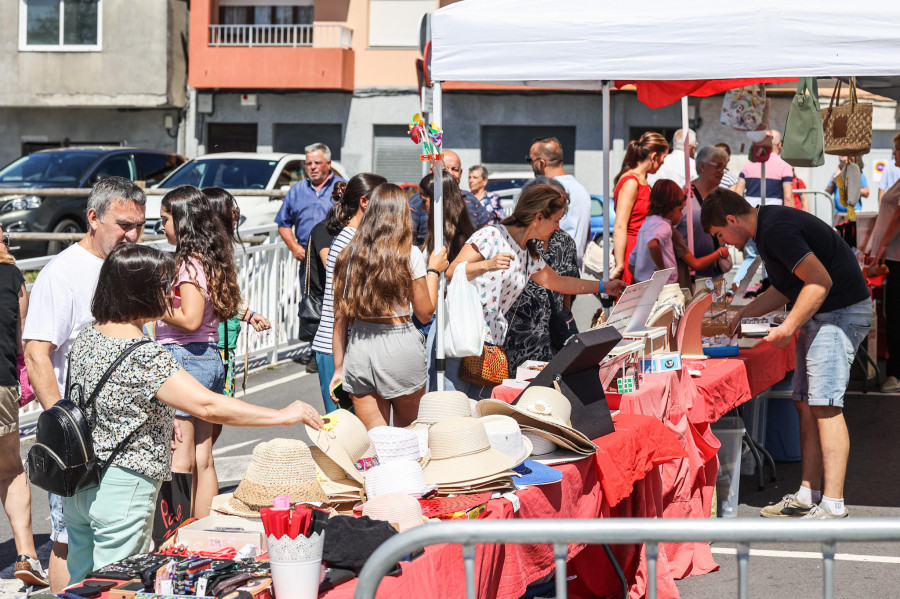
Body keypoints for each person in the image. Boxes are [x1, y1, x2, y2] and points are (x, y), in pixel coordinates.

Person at [64, 243, 323, 584]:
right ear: (141, 292)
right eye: (165, 287)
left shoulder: (88, 337)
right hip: (123, 486)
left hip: (79, 483)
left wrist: (158, 418)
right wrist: (283, 415)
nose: (173, 297)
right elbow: (208, 405)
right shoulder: (144, 355)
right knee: (118, 585)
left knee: (82, 582)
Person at [702, 189, 872, 519]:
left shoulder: (775, 228)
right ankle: (808, 495)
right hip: (829, 312)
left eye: (720, 234)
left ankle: (833, 504)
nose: (724, 242)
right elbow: (786, 287)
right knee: (808, 403)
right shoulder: (767, 228)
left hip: (839, 312)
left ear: (731, 220)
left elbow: (819, 282)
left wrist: (786, 328)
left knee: (825, 405)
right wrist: (744, 313)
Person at [24, 176, 147, 592]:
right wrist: (63, 428)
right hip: (79, 441)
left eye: (139, 226)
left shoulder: (127, 267)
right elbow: (37, 352)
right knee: (66, 541)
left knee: (115, 543)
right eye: (123, 225)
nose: (132, 235)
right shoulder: (62, 274)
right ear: (93, 218)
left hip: (127, 437)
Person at [445, 184, 627, 398]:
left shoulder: (528, 252)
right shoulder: (492, 235)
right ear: (539, 217)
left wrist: (605, 286)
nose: (557, 228)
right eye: (556, 220)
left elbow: (559, 283)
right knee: (455, 407)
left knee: (479, 410)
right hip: (463, 337)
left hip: (489, 345)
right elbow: (450, 272)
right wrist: (488, 265)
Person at [331, 183, 449, 429]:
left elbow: (340, 319)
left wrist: (339, 369)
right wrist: (434, 271)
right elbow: (425, 313)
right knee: (408, 436)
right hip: (400, 345)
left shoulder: (349, 254)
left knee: (374, 443)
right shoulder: (409, 254)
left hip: (361, 346)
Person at [157, 186, 242, 520]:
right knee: (203, 457)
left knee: (180, 457)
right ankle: (202, 529)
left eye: (165, 220)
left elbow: (190, 319)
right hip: (207, 357)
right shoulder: (209, 258)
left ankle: (176, 534)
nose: (161, 227)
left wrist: (155, 306)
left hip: (185, 358)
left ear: (182, 220)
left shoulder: (188, 266)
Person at [311, 173, 387, 408]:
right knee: (344, 430)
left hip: (342, 346)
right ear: (364, 202)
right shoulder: (349, 242)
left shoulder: (353, 238)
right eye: (381, 200)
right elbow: (341, 311)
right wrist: (339, 366)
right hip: (337, 349)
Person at [0, 230, 47, 587]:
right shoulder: (12, 276)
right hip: (1, 385)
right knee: (10, 470)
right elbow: (22, 341)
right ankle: (28, 554)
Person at [275, 142, 347, 350]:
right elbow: (283, 223)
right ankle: (314, 348)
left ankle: (338, 345)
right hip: (308, 259)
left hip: (338, 255)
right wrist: (293, 246)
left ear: (328, 164)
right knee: (311, 301)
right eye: (308, 164)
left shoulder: (342, 186)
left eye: (317, 162)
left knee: (338, 298)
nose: (312, 167)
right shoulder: (297, 190)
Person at [504, 178, 580, 371]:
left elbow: (568, 283)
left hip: (553, 335)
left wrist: (563, 315)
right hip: (517, 336)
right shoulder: (515, 240)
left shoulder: (565, 242)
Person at [203, 188, 271, 399]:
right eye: (231, 209)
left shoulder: (221, 250)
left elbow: (225, 296)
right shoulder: (206, 255)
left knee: (217, 417)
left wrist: (248, 315)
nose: (235, 215)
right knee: (212, 415)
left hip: (224, 343)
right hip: (210, 345)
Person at [420, 173, 476, 391]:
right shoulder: (441, 234)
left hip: (448, 321)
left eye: (424, 200)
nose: (421, 206)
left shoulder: (459, 239)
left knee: (445, 386)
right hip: (438, 318)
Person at [732, 129, 794, 288]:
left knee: (750, 257)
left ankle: (737, 286)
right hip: (773, 218)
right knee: (771, 258)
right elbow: (788, 197)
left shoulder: (748, 165)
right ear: (780, 145)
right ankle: (768, 289)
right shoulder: (785, 166)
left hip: (749, 217)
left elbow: (738, 193)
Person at [862, 132, 900, 392]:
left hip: (898, 257)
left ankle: (896, 374)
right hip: (895, 258)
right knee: (894, 315)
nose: (894, 154)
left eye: (897, 149)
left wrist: (883, 242)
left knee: (896, 315)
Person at [611, 132, 669, 284]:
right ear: (654, 156)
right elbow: (620, 226)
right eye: (663, 157)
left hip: (639, 251)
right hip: (630, 252)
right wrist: (620, 265)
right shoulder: (631, 181)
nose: (663, 162)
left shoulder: (641, 181)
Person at [528, 137, 592, 264]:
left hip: (550, 271)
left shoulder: (548, 190)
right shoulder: (581, 190)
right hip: (572, 269)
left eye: (530, 160)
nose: (529, 164)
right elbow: (587, 233)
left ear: (541, 163)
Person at [408, 150, 490, 246]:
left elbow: (484, 233)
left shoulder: (470, 199)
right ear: (432, 171)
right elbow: (407, 237)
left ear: (461, 172)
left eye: (455, 169)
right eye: (444, 169)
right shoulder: (418, 200)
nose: (450, 173)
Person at [686, 145, 731, 279]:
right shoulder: (686, 195)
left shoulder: (721, 195)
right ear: (702, 166)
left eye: (724, 167)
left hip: (716, 272)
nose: (722, 172)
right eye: (718, 166)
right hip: (693, 274)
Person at [629, 180, 685, 284]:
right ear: (672, 208)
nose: (681, 215)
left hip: (646, 285)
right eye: (680, 210)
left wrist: (641, 281)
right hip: (663, 288)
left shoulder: (646, 224)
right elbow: (652, 244)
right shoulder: (663, 226)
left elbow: (632, 263)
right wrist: (662, 269)